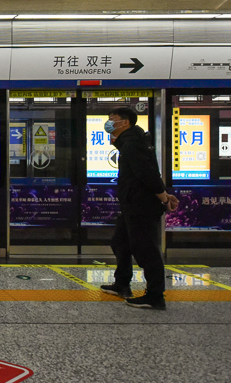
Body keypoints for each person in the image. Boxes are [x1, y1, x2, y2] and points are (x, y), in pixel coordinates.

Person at [100, 106, 179, 310]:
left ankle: (155, 296)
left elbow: (147, 174)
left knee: (146, 250)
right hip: (132, 204)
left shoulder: (133, 143)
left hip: (141, 206)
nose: (109, 122)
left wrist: (164, 198)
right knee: (120, 242)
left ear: (124, 122)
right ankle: (121, 284)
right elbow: (149, 169)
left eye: (112, 118)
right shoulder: (131, 140)